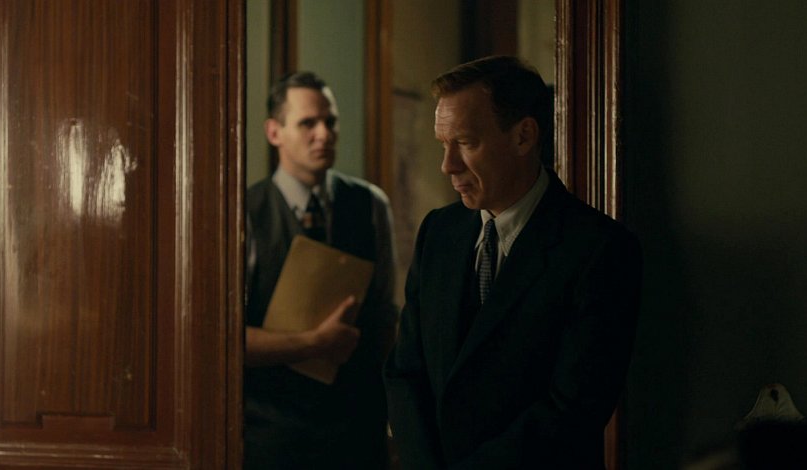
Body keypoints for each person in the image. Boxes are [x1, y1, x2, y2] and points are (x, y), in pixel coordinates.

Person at [383, 55, 642, 469]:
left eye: (465, 143)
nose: (447, 165)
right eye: (443, 145)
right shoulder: (438, 232)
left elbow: (572, 409)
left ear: (523, 136)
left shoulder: (598, 249)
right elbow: (405, 372)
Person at [244, 72, 398, 469]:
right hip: (272, 434)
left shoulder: (370, 204)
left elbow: (384, 313)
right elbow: (226, 339)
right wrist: (314, 343)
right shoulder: (244, 213)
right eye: (308, 123)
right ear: (274, 132)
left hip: (357, 431)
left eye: (330, 121)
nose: (324, 134)